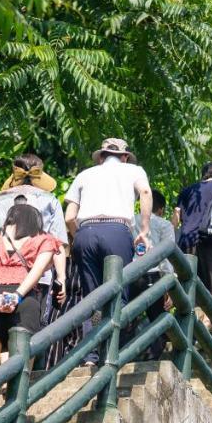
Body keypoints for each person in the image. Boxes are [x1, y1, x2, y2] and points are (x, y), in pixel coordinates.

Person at [0, 204, 61, 423]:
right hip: (24, 303)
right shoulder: (44, 240)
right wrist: (17, 296)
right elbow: (37, 273)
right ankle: (11, 420)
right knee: (19, 372)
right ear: (35, 221)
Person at [64, 138, 152, 364]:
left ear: (101, 156)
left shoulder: (85, 175)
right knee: (117, 294)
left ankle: (91, 355)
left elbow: (69, 217)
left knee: (92, 298)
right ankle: (111, 353)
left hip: (85, 232)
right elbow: (145, 191)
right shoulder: (133, 170)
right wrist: (144, 230)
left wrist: (79, 237)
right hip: (116, 230)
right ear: (124, 157)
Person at [0, 154, 69, 323]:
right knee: (32, 330)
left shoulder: (0, 200)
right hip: (39, 278)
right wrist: (61, 278)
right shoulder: (50, 200)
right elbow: (57, 243)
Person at [176, 162, 212, 304]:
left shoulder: (188, 190)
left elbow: (176, 217)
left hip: (186, 241)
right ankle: (209, 324)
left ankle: (190, 324)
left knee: (188, 288)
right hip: (211, 240)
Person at [136, 190, 176, 359]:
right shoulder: (164, 224)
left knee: (127, 318)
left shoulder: (130, 221)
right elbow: (167, 257)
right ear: (160, 209)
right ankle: (152, 357)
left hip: (130, 275)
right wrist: (170, 284)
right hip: (154, 275)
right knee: (158, 317)